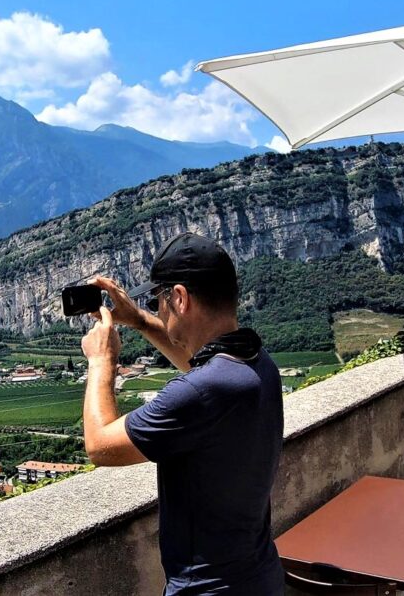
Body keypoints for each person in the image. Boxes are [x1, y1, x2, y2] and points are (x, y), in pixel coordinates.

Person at [79, 232, 284, 595]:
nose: (159, 308)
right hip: (260, 576)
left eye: (159, 300)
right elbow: (199, 365)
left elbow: (99, 445)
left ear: (179, 298)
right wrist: (140, 320)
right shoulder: (257, 364)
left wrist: (101, 360)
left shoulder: (201, 391)